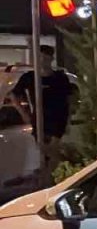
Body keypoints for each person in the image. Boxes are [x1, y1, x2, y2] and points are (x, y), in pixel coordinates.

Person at [13, 45, 75, 178]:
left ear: (51, 59)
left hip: (58, 118)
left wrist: (69, 119)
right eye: (40, 58)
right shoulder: (29, 77)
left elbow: (69, 99)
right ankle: (56, 173)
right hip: (39, 119)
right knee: (43, 150)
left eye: (46, 58)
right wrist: (24, 114)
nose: (43, 61)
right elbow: (14, 95)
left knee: (52, 149)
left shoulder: (60, 77)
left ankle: (52, 176)